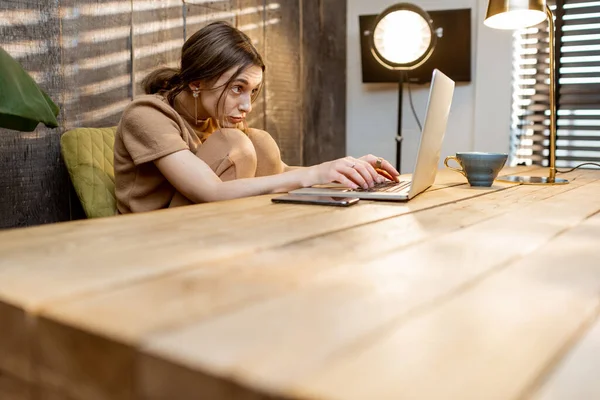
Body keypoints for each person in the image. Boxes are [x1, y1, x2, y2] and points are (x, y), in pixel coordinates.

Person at [114, 21, 399, 214]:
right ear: (197, 82)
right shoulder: (146, 114)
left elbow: (279, 172)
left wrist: (339, 171)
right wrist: (313, 174)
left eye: (251, 91)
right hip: (149, 238)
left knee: (259, 142)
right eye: (237, 88)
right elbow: (210, 190)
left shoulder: (214, 114)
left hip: (197, 227)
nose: (247, 105)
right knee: (235, 143)